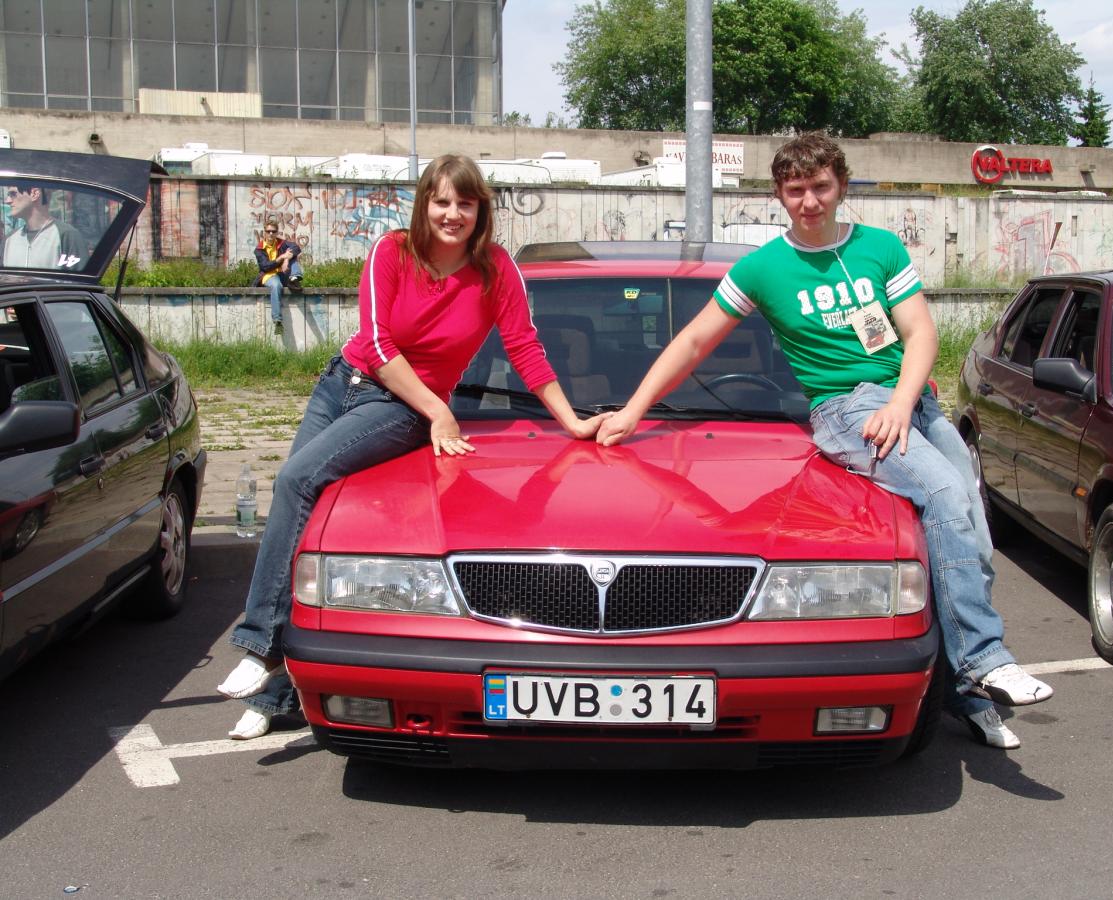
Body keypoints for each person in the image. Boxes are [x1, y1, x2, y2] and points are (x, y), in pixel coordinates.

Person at [597, 132, 1052, 750]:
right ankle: (984, 659)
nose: (808, 201)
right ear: (779, 195)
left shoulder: (879, 248)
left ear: (841, 185)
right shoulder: (763, 268)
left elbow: (920, 334)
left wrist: (902, 403)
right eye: (795, 190)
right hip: (846, 410)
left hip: (910, 404)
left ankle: (967, 695)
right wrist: (633, 410)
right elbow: (695, 341)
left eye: (820, 187)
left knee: (974, 534)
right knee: (944, 496)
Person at [218, 154, 608, 739]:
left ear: (480, 211)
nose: (453, 214)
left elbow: (524, 347)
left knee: (297, 480)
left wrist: (572, 421)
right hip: (342, 384)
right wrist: (442, 412)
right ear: (425, 203)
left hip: (399, 408)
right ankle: (276, 691)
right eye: (442, 201)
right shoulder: (392, 251)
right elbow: (376, 344)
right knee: (299, 506)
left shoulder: (496, 269)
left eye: (465, 203)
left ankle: (262, 646)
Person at [3, 183, 87, 271]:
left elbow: (80, 278)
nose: (7, 201)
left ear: (34, 194)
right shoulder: (9, 240)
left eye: (13, 194)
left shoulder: (67, 236)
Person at [253, 218, 303, 335]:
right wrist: (281, 258)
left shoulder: (281, 243)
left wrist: (287, 258)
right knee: (276, 285)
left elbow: (296, 248)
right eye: (268, 231)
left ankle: (295, 277)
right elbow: (265, 266)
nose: (271, 233)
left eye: (273, 231)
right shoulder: (259, 249)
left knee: (292, 255)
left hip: (282, 273)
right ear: (264, 232)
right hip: (269, 275)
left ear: (276, 232)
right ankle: (277, 321)